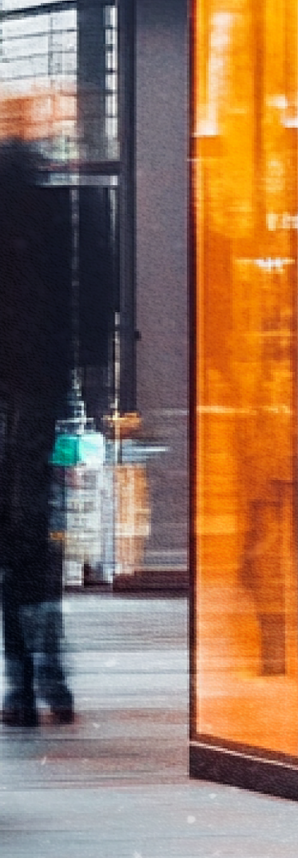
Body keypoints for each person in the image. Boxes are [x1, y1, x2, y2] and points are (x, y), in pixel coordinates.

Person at [0, 135, 75, 727]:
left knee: (16, 544)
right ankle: (46, 669)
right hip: (38, 401)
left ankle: (24, 677)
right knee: (36, 538)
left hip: (21, 400)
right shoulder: (53, 214)